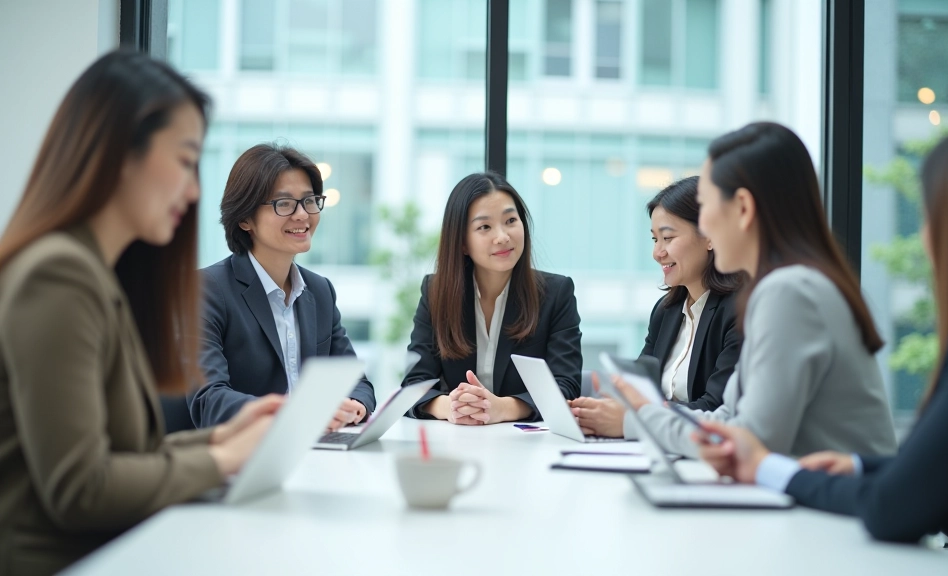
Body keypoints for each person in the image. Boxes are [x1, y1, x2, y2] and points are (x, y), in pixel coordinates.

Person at [695, 114, 948, 576]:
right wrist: (862, 467)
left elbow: (895, 508)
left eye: (930, 214)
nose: (923, 237)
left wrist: (769, 467)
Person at [0, 51, 279, 575]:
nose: (194, 190)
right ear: (119, 153)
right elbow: (80, 488)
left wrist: (219, 436)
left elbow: (124, 452)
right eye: (185, 160)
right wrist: (222, 460)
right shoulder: (56, 274)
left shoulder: (100, 274)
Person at [615, 122, 897, 459]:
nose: (704, 227)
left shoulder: (790, 293)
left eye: (706, 208)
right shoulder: (789, 286)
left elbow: (747, 443)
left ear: (744, 209)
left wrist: (638, 419)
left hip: (828, 507)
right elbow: (727, 419)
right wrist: (641, 416)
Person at [189, 144, 375, 430]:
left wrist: (353, 408)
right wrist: (294, 413)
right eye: (284, 203)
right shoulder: (206, 290)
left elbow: (357, 383)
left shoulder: (319, 291)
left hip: (313, 454)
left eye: (310, 200)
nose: (302, 215)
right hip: (241, 460)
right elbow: (209, 402)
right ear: (244, 218)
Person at [569, 177, 744, 438]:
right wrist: (604, 409)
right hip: (656, 445)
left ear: (709, 237)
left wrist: (635, 420)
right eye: (654, 240)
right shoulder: (666, 311)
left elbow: (715, 407)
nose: (657, 252)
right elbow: (638, 391)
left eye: (668, 238)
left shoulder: (739, 311)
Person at [402, 172, 582, 424]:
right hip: (456, 441)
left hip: (526, 449)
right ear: (462, 242)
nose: (503, 236)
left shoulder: (556, 293)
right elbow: (414, 383)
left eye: (510, 220)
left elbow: (567, 384)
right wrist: (449, 406)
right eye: (484, 227)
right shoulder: (436, 292)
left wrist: (503, 408)